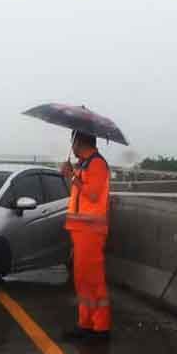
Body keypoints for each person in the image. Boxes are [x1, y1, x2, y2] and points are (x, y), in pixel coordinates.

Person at [61, 130, 112, 342]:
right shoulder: (84, 164)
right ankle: (86, 324)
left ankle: (100, 327)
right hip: (81, 230)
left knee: (93, 279)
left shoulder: (97, 164)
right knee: (82, 279)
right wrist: (71, 174)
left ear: (81, 142)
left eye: (73, 141)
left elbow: (92, 194)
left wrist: (72, 176)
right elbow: (79, 195)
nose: (71, 146)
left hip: (91, 231)